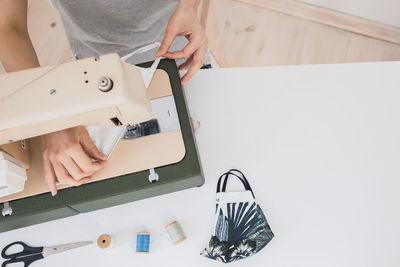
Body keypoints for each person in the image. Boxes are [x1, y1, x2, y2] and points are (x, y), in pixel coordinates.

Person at [0, 0, 207, 195]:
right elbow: (7, 27)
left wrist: (190, 7)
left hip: (179, 47)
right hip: (95, 63)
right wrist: (51, 123)